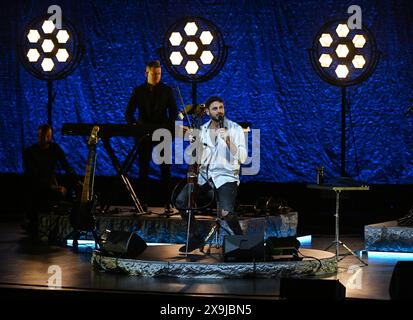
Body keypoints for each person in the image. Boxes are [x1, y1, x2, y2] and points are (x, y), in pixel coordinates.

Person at [175, 96, 247, 253]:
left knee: (226, 213)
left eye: (221, 107)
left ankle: (241, 240)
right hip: (205, 176)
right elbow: (197, 158)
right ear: (207, 111)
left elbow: (242, 157)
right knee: (181, 201)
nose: (219, 111)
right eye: (215, 108)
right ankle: (195, 237)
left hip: (226, 176)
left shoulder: (235, 129)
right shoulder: (203, 130)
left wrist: (228, 141)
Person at [125, 60, 178, 212]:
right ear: (146, 73)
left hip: (162, 133)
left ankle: (168, 203)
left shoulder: (167, 90)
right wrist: (137, 128)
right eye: (154, 74)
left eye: (159, 74)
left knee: (165, 169)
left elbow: (174, 112)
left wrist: (166, 126)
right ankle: (142, 202)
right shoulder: (138, 90)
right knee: (143, 169)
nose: (157, 76)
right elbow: (128, 114)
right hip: (144, 134)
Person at [22, 123, 79, 236]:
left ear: (51, 136)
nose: (45, 139)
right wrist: (52, 186)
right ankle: (33, 222)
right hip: (36, 187)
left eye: (48, 136)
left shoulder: (54, 148)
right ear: (38, 136)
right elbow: (33, 176)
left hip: (49, 184)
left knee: (70, 190)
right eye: (42, 136)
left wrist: (77, 180)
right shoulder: (30, 152)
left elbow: (66, 165)